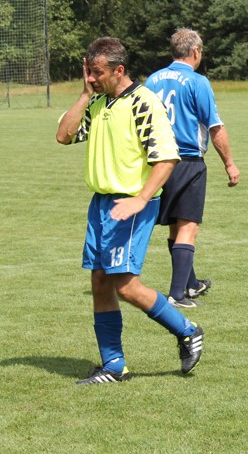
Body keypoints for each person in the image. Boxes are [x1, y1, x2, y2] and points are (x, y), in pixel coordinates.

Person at [56, 37, 204, 384]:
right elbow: (64, 135)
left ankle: (187, 330)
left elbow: (166, 158)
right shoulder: (97, 103)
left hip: (132, 204)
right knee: (99, 280)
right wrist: (85, 94)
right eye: (88, 72)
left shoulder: (143, 102)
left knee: (125, 285)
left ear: (118, 70)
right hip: (102, 204)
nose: (91, 78)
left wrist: (141, 198)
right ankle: (114, 365)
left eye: (97, 73)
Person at [146, 29, 241, 308]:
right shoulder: (198, 81)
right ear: (196, 52)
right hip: (187, 161)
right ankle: (177, 295)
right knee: (189, 227)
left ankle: (191, 283)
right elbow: (215, 127)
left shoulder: (152, 79)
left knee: (175, 226)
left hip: (158, 162)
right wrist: (229, 163)